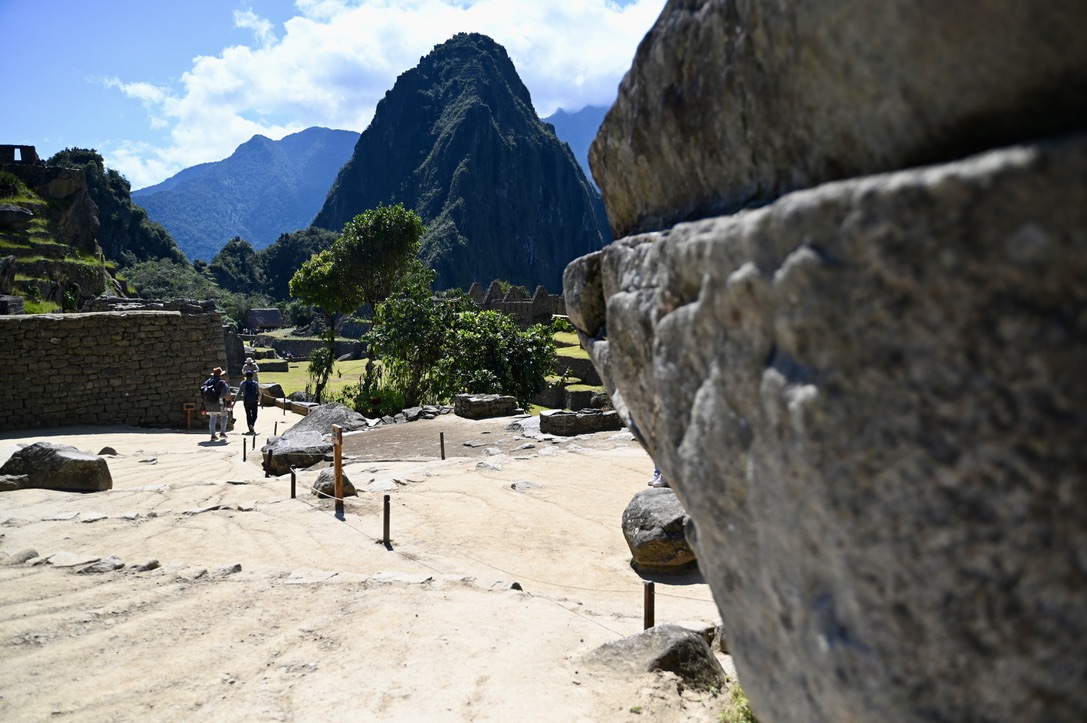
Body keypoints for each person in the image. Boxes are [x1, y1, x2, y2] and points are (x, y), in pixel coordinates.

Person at [202, 367, 231, 441]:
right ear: (220, 375)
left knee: (212, 418)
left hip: (209, 402)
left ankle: (213, 435)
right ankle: (222, 432)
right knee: (224, 416)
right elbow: (224, 394)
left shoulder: (208, 382)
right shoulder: (222, 383)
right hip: (219, 402)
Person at [238, 369, 261, 435]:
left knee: (248, 415)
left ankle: (249, 426)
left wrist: (234, 402)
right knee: (255, 415)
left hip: (246, 401)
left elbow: (239, 393)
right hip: (254, 401)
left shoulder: (243, 383)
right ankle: (252, 424)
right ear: (252, 376)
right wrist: (258, 400)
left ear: (246, 376)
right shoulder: (255, 383)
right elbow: (259, 393)